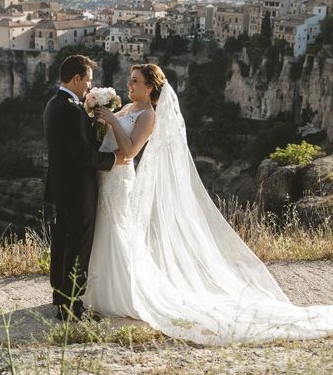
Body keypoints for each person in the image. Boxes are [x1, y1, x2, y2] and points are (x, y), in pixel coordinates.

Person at [84, 63, 333, 345]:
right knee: (106, 229)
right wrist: (99, 114)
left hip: (120, 178)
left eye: (135, 81)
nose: (129, 86)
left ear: (150, 87)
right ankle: (99, 289)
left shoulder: (148, 116)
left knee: (120, 231)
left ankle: (123, 294)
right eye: (129, 81)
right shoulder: (127, 109)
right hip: (105, 177)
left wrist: (112, 120)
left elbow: (129, 151)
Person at [43, 54, 122, 320]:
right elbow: (82, 154)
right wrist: (113, 160)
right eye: (87, 80)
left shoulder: (54, 104)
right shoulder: (70, 109)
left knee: (63, 243)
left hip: (62, 187)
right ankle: (73, 307)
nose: (89, 86)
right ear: (76, 79)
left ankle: (61, 298)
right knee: (78, 246)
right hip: (78, 190)